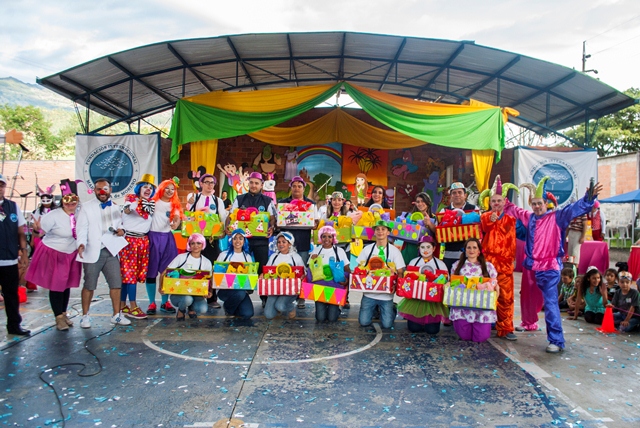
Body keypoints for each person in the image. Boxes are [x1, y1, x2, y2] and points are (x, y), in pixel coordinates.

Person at [504, 176, 602, 353]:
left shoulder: (556, 217)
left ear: (545, 203)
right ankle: (528, 322)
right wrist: (501, 197)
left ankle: (556, 340)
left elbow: (573, 209)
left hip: (549, 268)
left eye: (539, 203)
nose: (536, 207)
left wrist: (588, 200)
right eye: (533, 204)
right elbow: (515, 210)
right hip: (531, 266)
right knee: (527, 295)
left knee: (550, 304)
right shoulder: (529, 217)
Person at [76, 178, 131, 328]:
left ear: (110, 190)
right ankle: (85, 316)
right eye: (99, 189)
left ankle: (116, 315)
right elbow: (81, 229)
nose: (102, 192)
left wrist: (122, 231)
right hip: (93, 251)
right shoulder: (86, 207)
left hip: (111, 250)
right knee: (89, 285)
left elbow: (120, 225)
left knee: (116, 284)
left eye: (105, 189)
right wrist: (81, 244)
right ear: (94, 191)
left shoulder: (114, 207)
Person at [25, 189, 81, 331]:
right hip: (55, 252)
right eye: (67, 201)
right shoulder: (54, 215)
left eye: (74, 201)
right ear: (62, 202)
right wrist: (36, 230)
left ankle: (63, 313)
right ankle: (58, 317)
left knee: (66, 284)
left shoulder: (80, 214)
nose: (71, 204)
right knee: (57, 284)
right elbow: (39, 233)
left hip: (71, 253)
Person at [228, 172, 277, 308]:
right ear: (248, 183)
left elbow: (272, 218)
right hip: (242, 241)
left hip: (261, 240)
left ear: (262, 185)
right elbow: (231, 216)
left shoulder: (268, 201)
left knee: (263, 269)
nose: (254, 185)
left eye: (257, 183)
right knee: (241, 267)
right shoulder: (240, 199)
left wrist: (271, 227)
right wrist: (228, 226)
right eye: (252, 182)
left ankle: (264, 297)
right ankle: (241, 296)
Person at [479, 176, 519, 341]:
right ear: (490, 203)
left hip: (505, 265)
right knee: (486, 296)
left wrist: (513, 259)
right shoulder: (485, 217)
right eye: (493, 201)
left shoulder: (511, 220)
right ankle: (485, 325)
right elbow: (485, 226)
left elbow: (513, 241)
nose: (496, 203)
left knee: (506, 297)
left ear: (504, 202)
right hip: (488, 265)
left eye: (499, 200)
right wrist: (491, 219)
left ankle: (506, 328)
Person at [186, 173, 228, 309]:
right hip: (195, 240)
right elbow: (187, 217)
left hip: (211, 240)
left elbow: (222, 219)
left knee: (212, 267)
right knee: (194, 266)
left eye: (212, 183)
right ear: (201, 184)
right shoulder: (193, 198)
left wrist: (222, 232)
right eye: (207, 182)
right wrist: (189, 205)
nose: (210, 185)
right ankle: (192, 295)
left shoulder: (218, 201)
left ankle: (212, 298)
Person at [356, 220, 406, 329]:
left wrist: (396, 283)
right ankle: (374, 310)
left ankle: (392, 308)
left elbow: (401, 271)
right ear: (374, 232)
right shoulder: (367, 250)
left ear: (388, 232)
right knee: (364, 322)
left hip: (386, 295)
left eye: (383, 229)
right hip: (369, 293)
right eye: (377, 229)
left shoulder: (394, 251)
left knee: (387, 325)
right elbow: (358, 268)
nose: (380, 232)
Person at [277, 175, 318, 309]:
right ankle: (283, 293)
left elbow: (316, 223)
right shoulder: (283, 203)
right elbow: (278, 222)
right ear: (291, 188)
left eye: (299, 186)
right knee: (284, 268)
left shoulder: (311, 205)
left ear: (304, 188)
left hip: (303, 241)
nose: (296, 188)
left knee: (301, 270)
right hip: (284, 244)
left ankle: (301, 297)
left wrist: (313, 223)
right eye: (294, 186)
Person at [119, 174, 156, 319]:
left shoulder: (151, 204)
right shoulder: (131, 202)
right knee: (129, 275)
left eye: (150, 187)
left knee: (131, 275)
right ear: (139, 189)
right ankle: (133, 306)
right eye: (145, 187)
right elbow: (126, 211)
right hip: (130, 241)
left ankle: (123, 305)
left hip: (143, 242)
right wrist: (134, 204)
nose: (148, 189)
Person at [145, 178, 183, 315]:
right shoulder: (152, 203)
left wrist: (175, 224)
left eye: (172, 189)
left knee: (167, 272)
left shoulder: (175, 204)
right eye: (167, 188)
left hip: (167, 239)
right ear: (161, 189)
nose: (170, 191)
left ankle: (165, 302)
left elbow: (177, 218)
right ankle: (151, 302)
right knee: (151, 272)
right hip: (152, 238)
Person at [449, 238, 499, 343]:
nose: (471, 250)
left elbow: (495, 284)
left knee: (481, 337)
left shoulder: (488, 266)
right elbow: (451, 283)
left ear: (479, 251)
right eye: (469, 247)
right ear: (465, 250)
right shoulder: (457, 266)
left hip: (481, 309)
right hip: (462, 308)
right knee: (464, 336)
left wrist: (495, 292)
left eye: (474, 247)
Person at [0, 173, 31, 335]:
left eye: (1, 185)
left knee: (11, 294)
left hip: (9, 259)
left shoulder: (12, 207)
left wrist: (24, 252)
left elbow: (21, 231)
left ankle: (14, 326)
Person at [397, 235, 448, 334]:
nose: (425, 250)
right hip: (415, 301)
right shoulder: (413, 262)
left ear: (434, 248)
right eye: (422, 247)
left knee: (432, 330)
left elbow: (445, 282)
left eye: (428, 247)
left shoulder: (441, 264)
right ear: (419, 248)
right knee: (414, 329)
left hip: (433, 303)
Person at [161, 233, 213, 320]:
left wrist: (209, 292)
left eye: (198, 243)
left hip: (196, 294)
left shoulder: (206, 262)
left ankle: (191, 308)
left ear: (203, 244)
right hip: (179, 294)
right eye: (192, 243)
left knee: (203, 309)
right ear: (189, 245)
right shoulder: (181, 258)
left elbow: (209, 280)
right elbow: (164, 273)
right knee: (187, 299)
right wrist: (161, 287)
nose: (195, 246)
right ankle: (181, 310)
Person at [309, 225, 350, 323]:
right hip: (320, 288)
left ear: (333, 238)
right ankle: (322, 309)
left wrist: (347, 281)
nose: (326, 239)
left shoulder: (340, 251)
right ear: (320, 238)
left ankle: (336, 309)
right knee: (320, 318)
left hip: (335, 288)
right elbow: (310, 270)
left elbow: (347, 269)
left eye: (329, 236)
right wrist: (313, 260)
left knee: (332, 319)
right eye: (324, 236)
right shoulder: (316, 251)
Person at [263, 232, 305, 320]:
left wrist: (302, 276)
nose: (281, 244)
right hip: (275, 290)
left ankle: (290, 307)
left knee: (280, 306)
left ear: (289, 244)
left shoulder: (296, 257)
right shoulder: (274, 256)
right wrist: (262, 275)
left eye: (284, 242)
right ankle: (277, 307)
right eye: (279, 242)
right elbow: (266, 271)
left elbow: (303, 272)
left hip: (290, 290)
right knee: (268, 315)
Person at [216, 229, 255, 320]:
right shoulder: (223, 255)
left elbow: (251, 276)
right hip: (224, 289)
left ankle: (234, 307)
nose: (238, 241)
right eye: (235, 238)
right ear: (231, 240)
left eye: (240, 238)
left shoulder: (247, 257)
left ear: (244, 241)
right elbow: (216, 273)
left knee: (248, 314)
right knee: (240, 294)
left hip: (241, 289)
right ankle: (228, 309)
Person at [439, 182, 479, 271]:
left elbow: (479, 229)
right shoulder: (444, 211)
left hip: (470, 254)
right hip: (449, 253)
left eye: (460, 192)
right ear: (451, 196)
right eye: (454, 193)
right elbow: (440, 232)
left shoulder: (474, 209)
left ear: (465, 195)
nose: (457, 195)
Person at [401, 192, 437, 263]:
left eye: (423, 201)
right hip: (409, 249)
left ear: (428, 203)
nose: (420, 204)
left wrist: (429, 223)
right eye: (418, 202)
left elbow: (437, 233)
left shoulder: (433, 218)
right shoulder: (408, 216)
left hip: (425, 250)